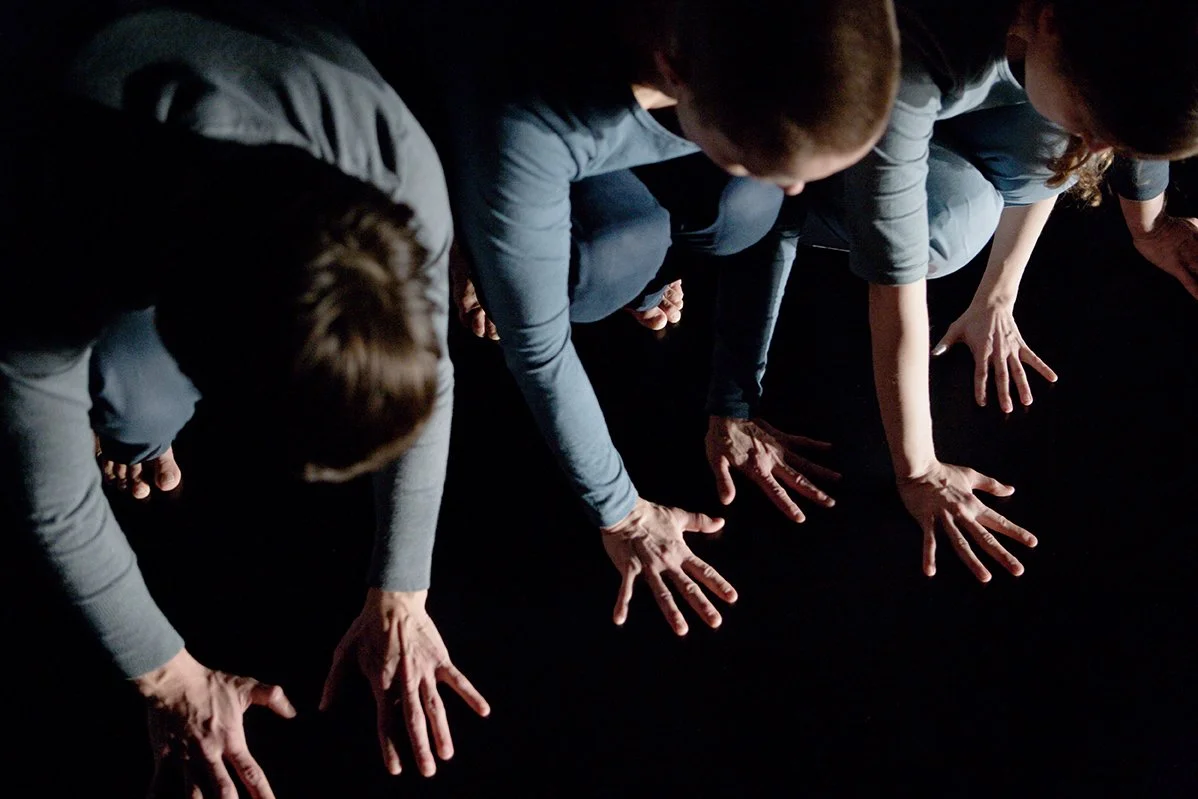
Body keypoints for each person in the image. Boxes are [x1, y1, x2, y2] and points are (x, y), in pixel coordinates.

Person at [0, 4, 488, 796]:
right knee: (131, 403)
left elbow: (428, 381)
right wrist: (170, 678)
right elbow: (52, 494)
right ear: (193, 341)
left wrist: (402, 589)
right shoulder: (59, 205)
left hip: (267, 60)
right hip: (66, 88)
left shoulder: (401, 171)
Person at [350, 0, 899, 636]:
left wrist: (733, 401)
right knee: (610, 254)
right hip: (451, 117)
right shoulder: (532, 111)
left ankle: (646, 247)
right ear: (675, 72)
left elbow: (782, 214)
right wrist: (624, 513)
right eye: (757, 157)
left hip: (622, 112)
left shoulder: (718, 55)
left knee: (748, 206)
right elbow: (537, 349)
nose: (798, 190)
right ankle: (478, 225)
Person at [706, 0, 1198, 581]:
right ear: (1050, 21)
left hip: (971, 88)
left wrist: (1146, 230)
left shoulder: (1074, 31)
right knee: (949, 224)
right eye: (1097, 129)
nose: (1096, 152)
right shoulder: (914, 56)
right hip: (789, 115)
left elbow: (1095, 125)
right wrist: (917, 472)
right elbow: (895, 285)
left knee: (1054, 133)